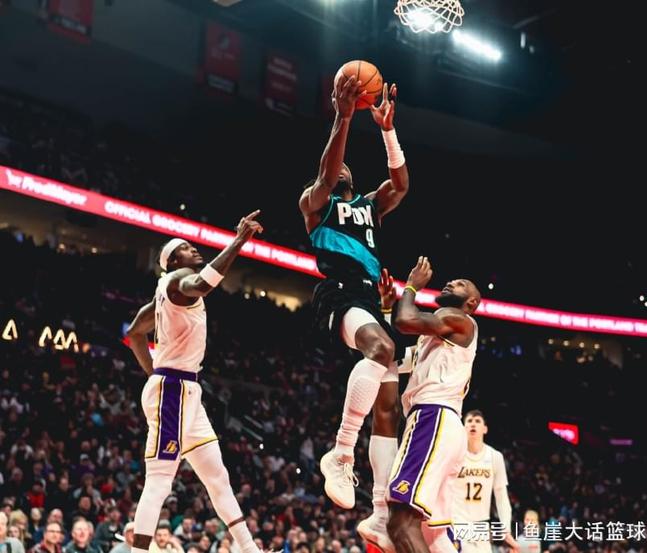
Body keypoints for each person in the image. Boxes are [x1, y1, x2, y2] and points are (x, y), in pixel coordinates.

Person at [298, 74, 409, 549]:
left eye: (346, 165)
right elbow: (327, 175)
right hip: (339, 295)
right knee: (382, 349)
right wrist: (343, 118)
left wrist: (387, 131)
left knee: (389, 410)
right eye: (333, 165)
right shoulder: (315, 203)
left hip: (370, 303)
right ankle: (341, 453)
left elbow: (401, 184)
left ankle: (380, 513)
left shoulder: (368, 207)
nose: (341, 169)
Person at [126, 211, 272, 553]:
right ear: (174, 261)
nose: (194, 250)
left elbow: (134, 333)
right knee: (160, 480)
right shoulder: (178, 280)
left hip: (184, 390)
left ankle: (249, 549)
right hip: (173, 389)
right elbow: (204, 284)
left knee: (217, 476)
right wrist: (238, 241)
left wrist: (154, 373)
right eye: (186, 248)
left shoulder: (162, 298)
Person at [383, 257, 481, 553]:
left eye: (461, 284)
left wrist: (411, 287)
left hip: (433, 417)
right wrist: (386, 309)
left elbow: (406, 321)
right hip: (441, 424)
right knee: (432, 536)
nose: (451, 282)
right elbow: (389, 356)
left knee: (400, 524)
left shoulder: (458, 319)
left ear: (472, 303)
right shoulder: (433, 340)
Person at [452, 410, 519, 553]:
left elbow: (502, 498)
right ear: (463, 428)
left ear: (485, 429)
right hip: (457, 523)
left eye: (477, 421)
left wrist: (506, 529)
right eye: (469, 421)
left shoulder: (495, 456)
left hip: (481, 527)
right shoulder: (454, 454)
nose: (473, 424)